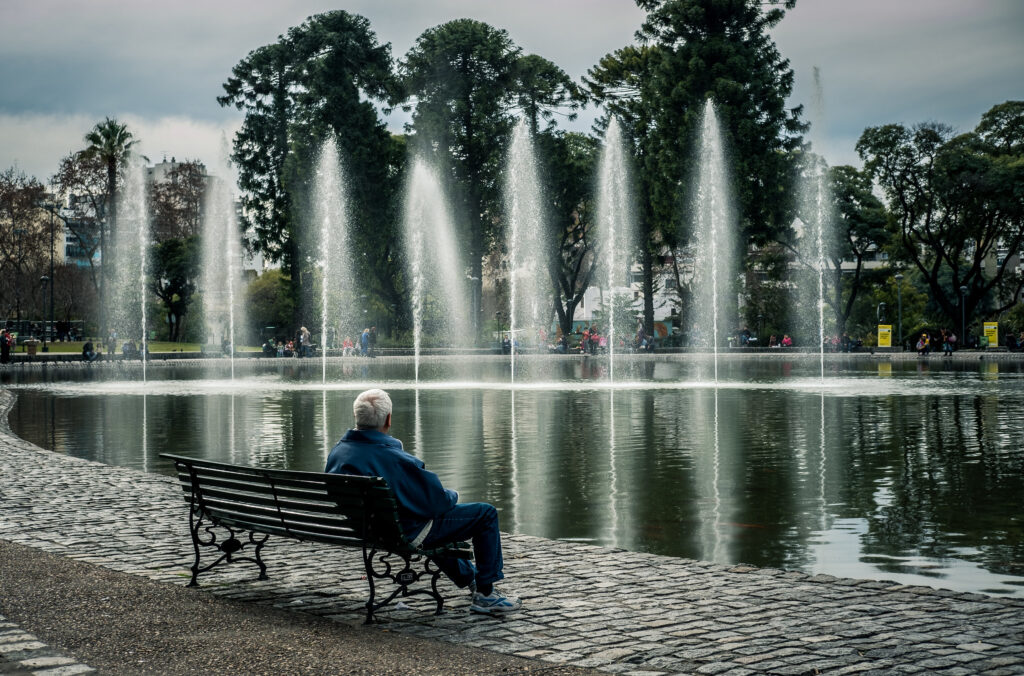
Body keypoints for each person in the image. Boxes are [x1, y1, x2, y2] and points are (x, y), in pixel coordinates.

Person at [325, 389, 521, 615]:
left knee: (433, 522)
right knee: (484, 514)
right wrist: (453, 494)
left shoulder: (338, 452)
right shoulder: (392, 458)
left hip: (368, 529)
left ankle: (471, 580)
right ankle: (486, 595)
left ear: (357, 417)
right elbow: (435, 503)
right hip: (403, 532)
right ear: (388, 419)